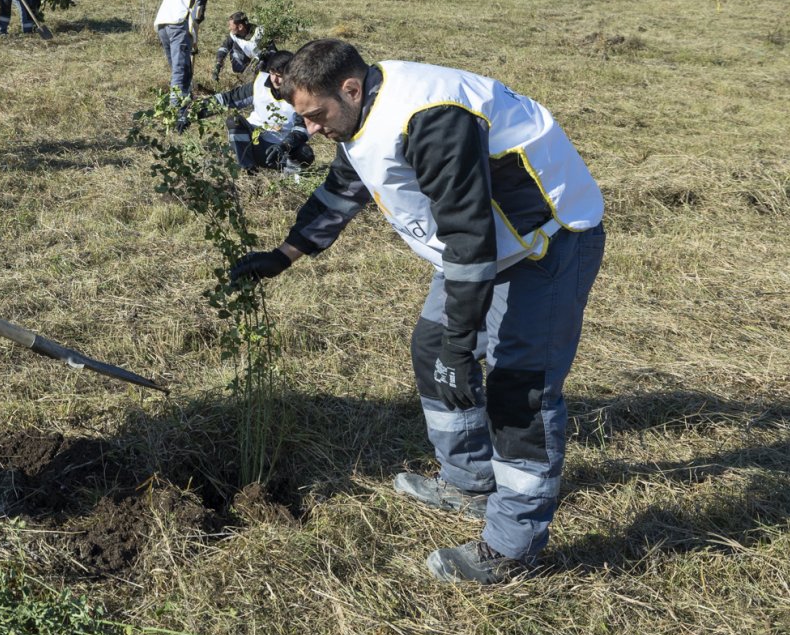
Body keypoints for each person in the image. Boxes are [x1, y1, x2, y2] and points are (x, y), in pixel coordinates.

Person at [230, 38, 605, 584]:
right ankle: (470, 483)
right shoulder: (359, 113)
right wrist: (282, 256)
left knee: (519, 388)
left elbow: (470, 232)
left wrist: (463, 342)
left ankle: (513, 546)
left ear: (350, 88)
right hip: (481, 248)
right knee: (433, 352)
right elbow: (344, 187)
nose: (308, 130)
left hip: (542, 244)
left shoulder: (431, 118)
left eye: (314, 116)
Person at [213, 50, 313, 174]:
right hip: (254, 140)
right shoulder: (259, 84)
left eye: (280, 76)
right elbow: (229, 98)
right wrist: (194, 111)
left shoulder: (301, 94)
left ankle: (285, 171)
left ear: (291, 75)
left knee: (305, 154)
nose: (275, 80)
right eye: (272, 73)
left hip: (280, 148)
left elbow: (301, 129)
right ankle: (247, 167)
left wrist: (284, 146)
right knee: (234, 121)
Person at [153, 0, 211, 124]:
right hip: (178, 23)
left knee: (178, 70)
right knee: (180, 71)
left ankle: (185, 100)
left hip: (162, 24)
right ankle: (177, 113)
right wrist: (201, 12)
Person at [213, 12, 263, 84]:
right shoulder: (234, 35)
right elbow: (224, 47)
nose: (229, 28)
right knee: (234, 50)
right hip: (246, 57)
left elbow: (272, 53)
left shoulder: (260, 33)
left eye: (230, 25)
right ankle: (245, 74)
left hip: (261, 61)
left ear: (240, 27)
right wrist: (218, 64)